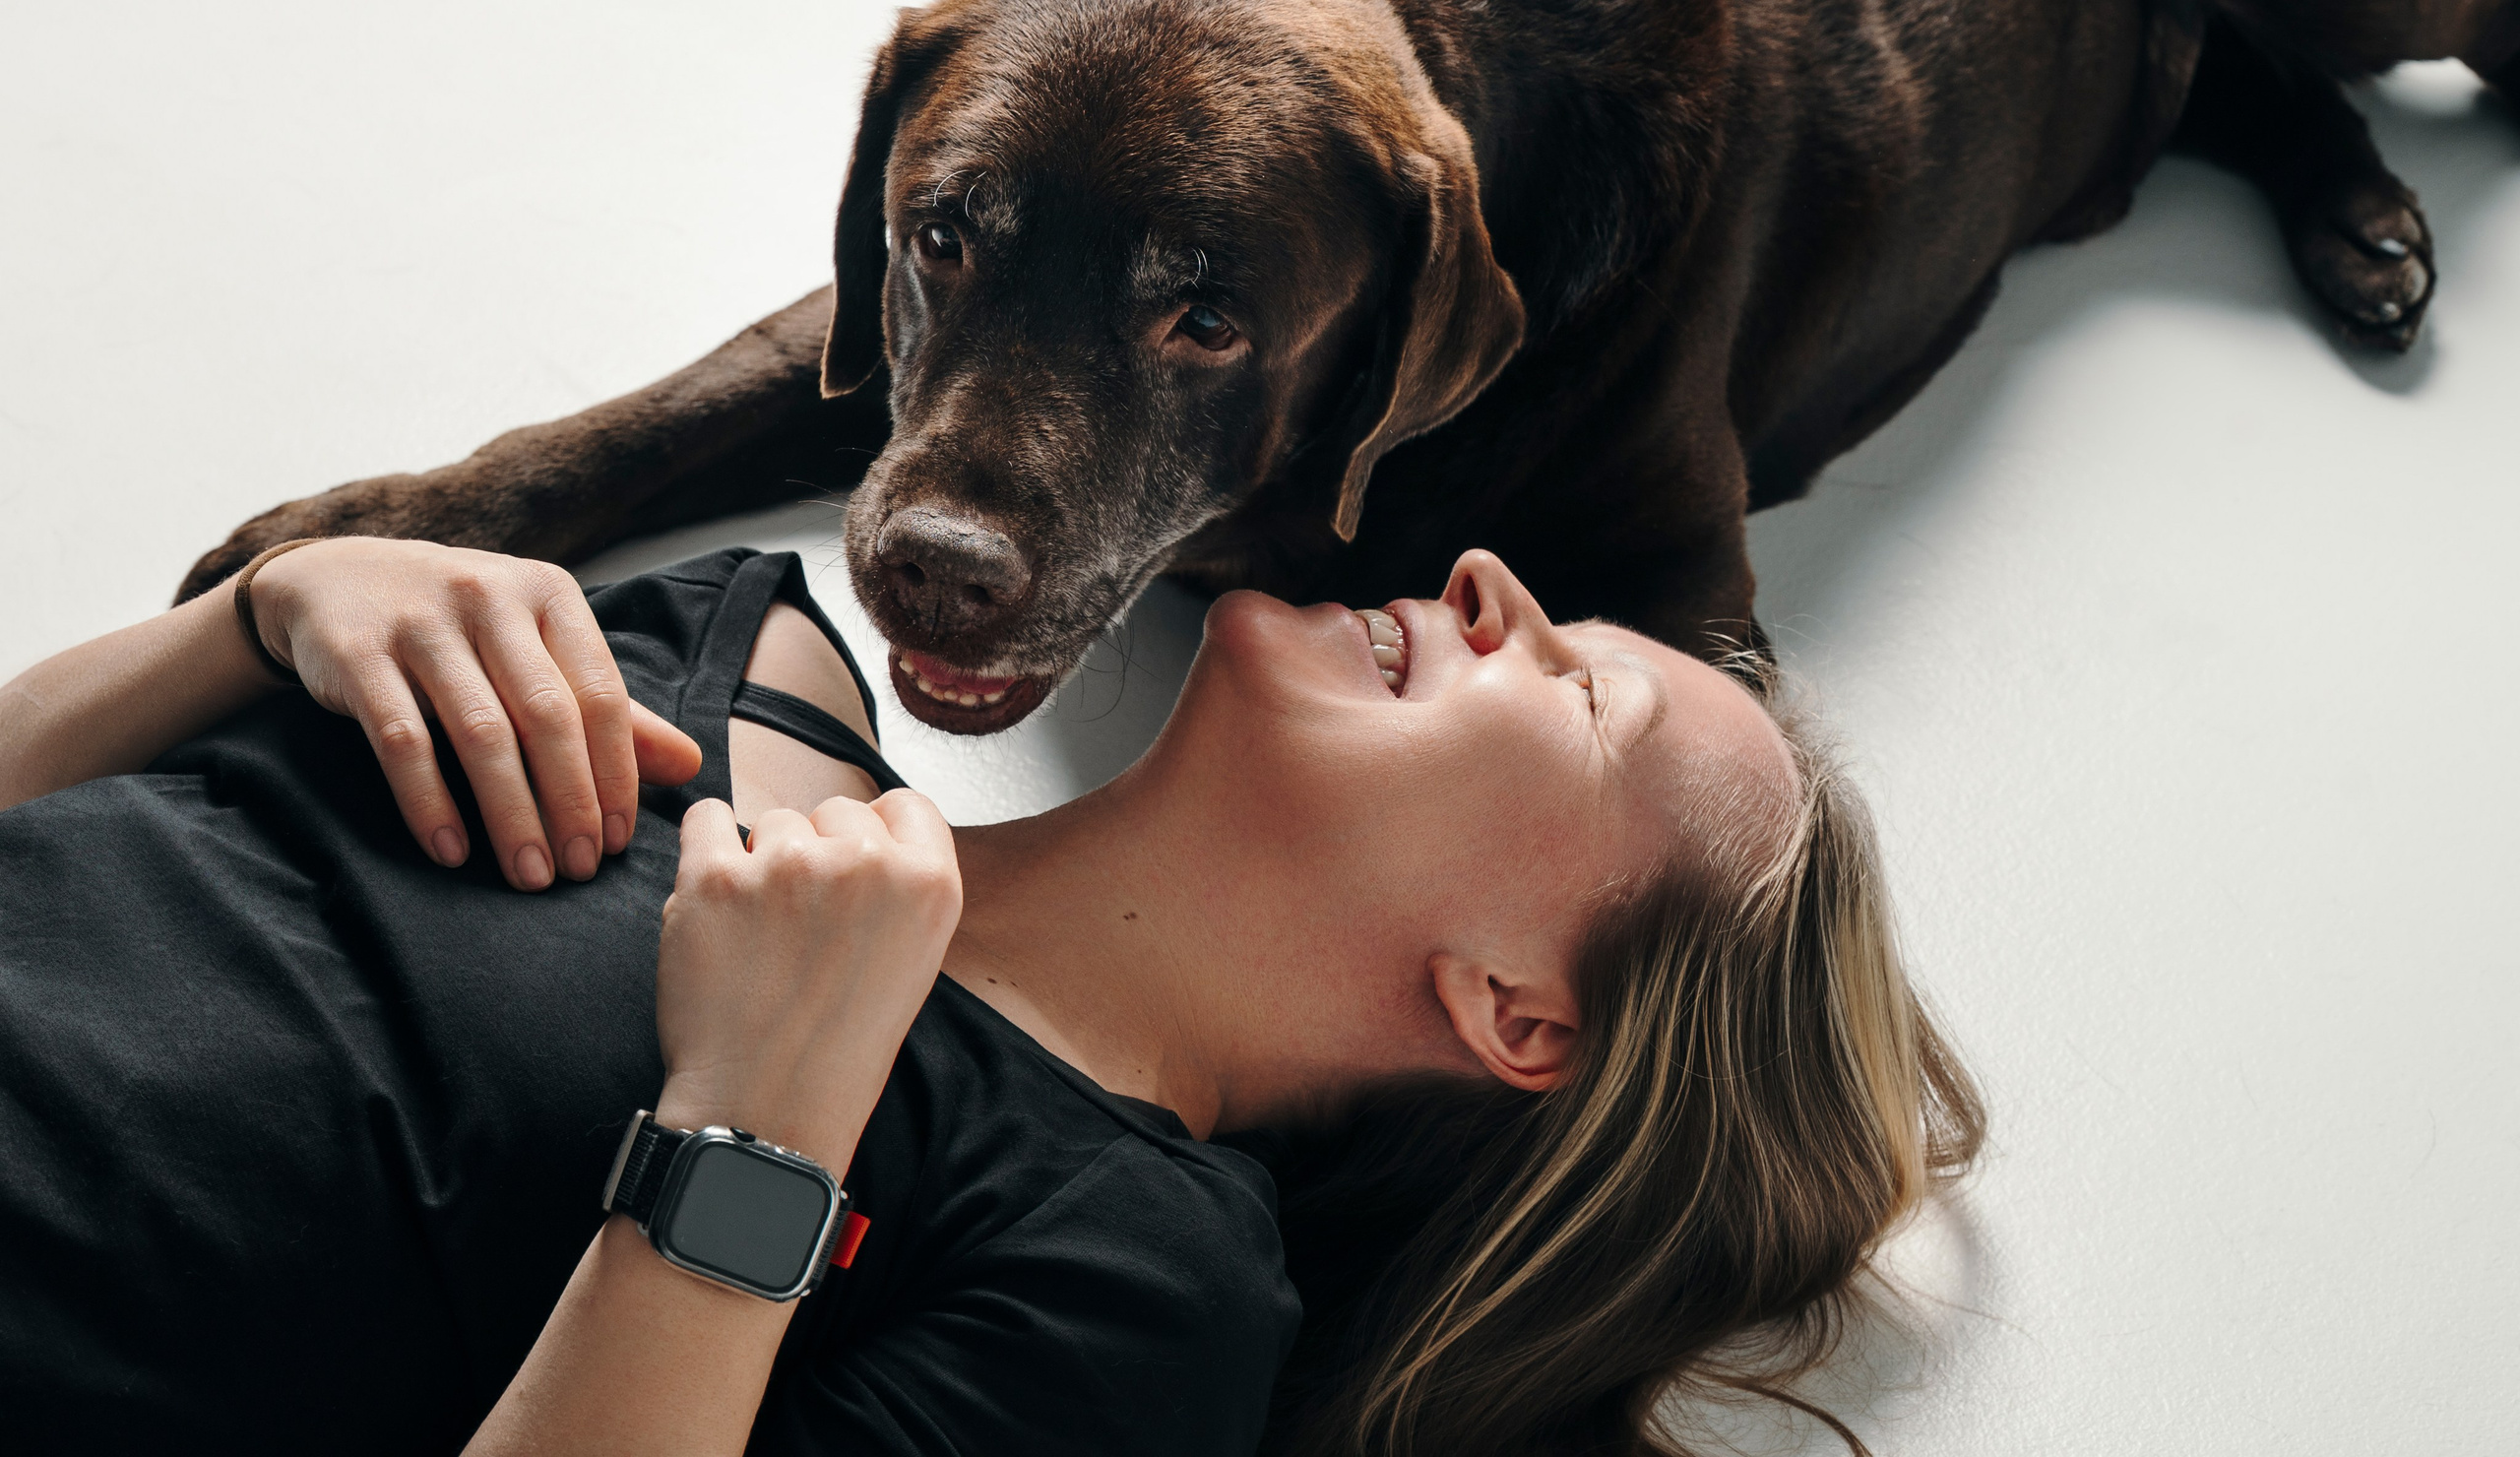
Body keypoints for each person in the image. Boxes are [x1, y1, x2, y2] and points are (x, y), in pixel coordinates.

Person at [0, 536, 1981, 1457]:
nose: (1485, 585)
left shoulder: (1137, 1292)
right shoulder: (739, 650)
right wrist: (263, 615)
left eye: (1572, 688)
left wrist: (755, 1133)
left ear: (1519, 1015)